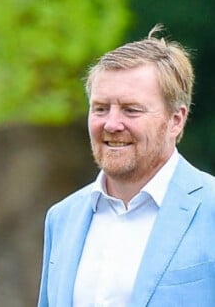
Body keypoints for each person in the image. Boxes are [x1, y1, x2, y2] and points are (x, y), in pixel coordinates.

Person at [38, 25, 215, 306]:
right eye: (100, 108)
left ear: (176, 120)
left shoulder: (210, 209)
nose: (111, 123)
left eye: (131, 109)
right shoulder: (61, 219)